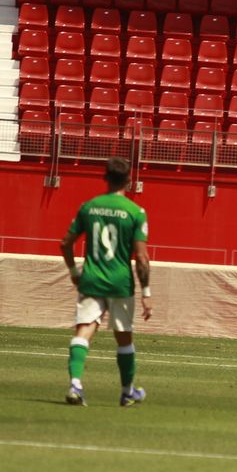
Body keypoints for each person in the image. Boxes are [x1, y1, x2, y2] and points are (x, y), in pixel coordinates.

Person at [60, 156, 152, 406]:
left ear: (105, 178)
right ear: (129, 181)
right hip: (121, 282)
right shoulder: (135, 212)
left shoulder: (89, 207)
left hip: (91, 279)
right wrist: (146, 292)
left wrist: (73, 272)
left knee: (84, 330)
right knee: (123, 337)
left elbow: (66, 243)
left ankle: (75, 385)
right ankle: (126, 391)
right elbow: (142, 257)